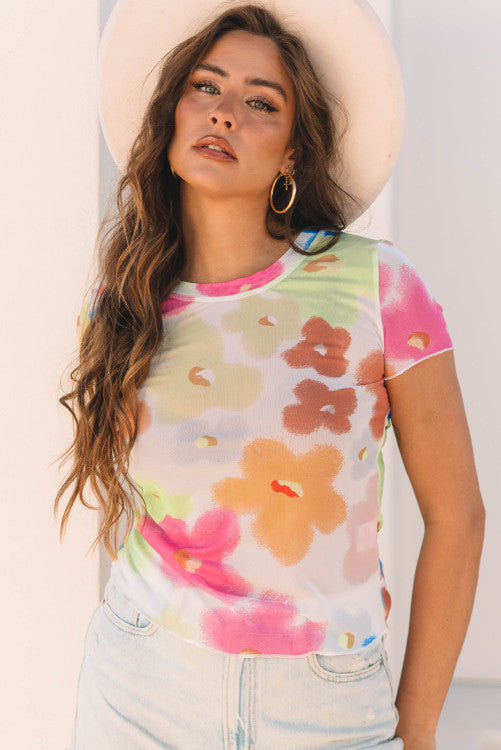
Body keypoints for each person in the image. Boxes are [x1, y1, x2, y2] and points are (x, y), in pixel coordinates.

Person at [56, 2, 486, 748]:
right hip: (141, 688)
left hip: (325, 700)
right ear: (171, 116)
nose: (223, 112)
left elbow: (458, 518)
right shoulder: (124, 300)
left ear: (291, 153)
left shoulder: (375, 284)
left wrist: (416, 730)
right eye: (205, 87)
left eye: (261, 103)